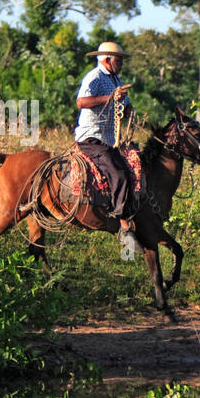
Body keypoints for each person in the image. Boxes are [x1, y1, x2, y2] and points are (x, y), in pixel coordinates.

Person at [75, 41, 139, 249]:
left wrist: (129, 110)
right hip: (92, 137)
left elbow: (123, 105)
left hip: (110, 139)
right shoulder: (94, 77)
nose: (121, 64)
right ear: (107, 60)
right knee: (118, 174)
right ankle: (122, 223)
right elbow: (81, 102)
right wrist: (110, 97)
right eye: (118, 60)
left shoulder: (115, 79)